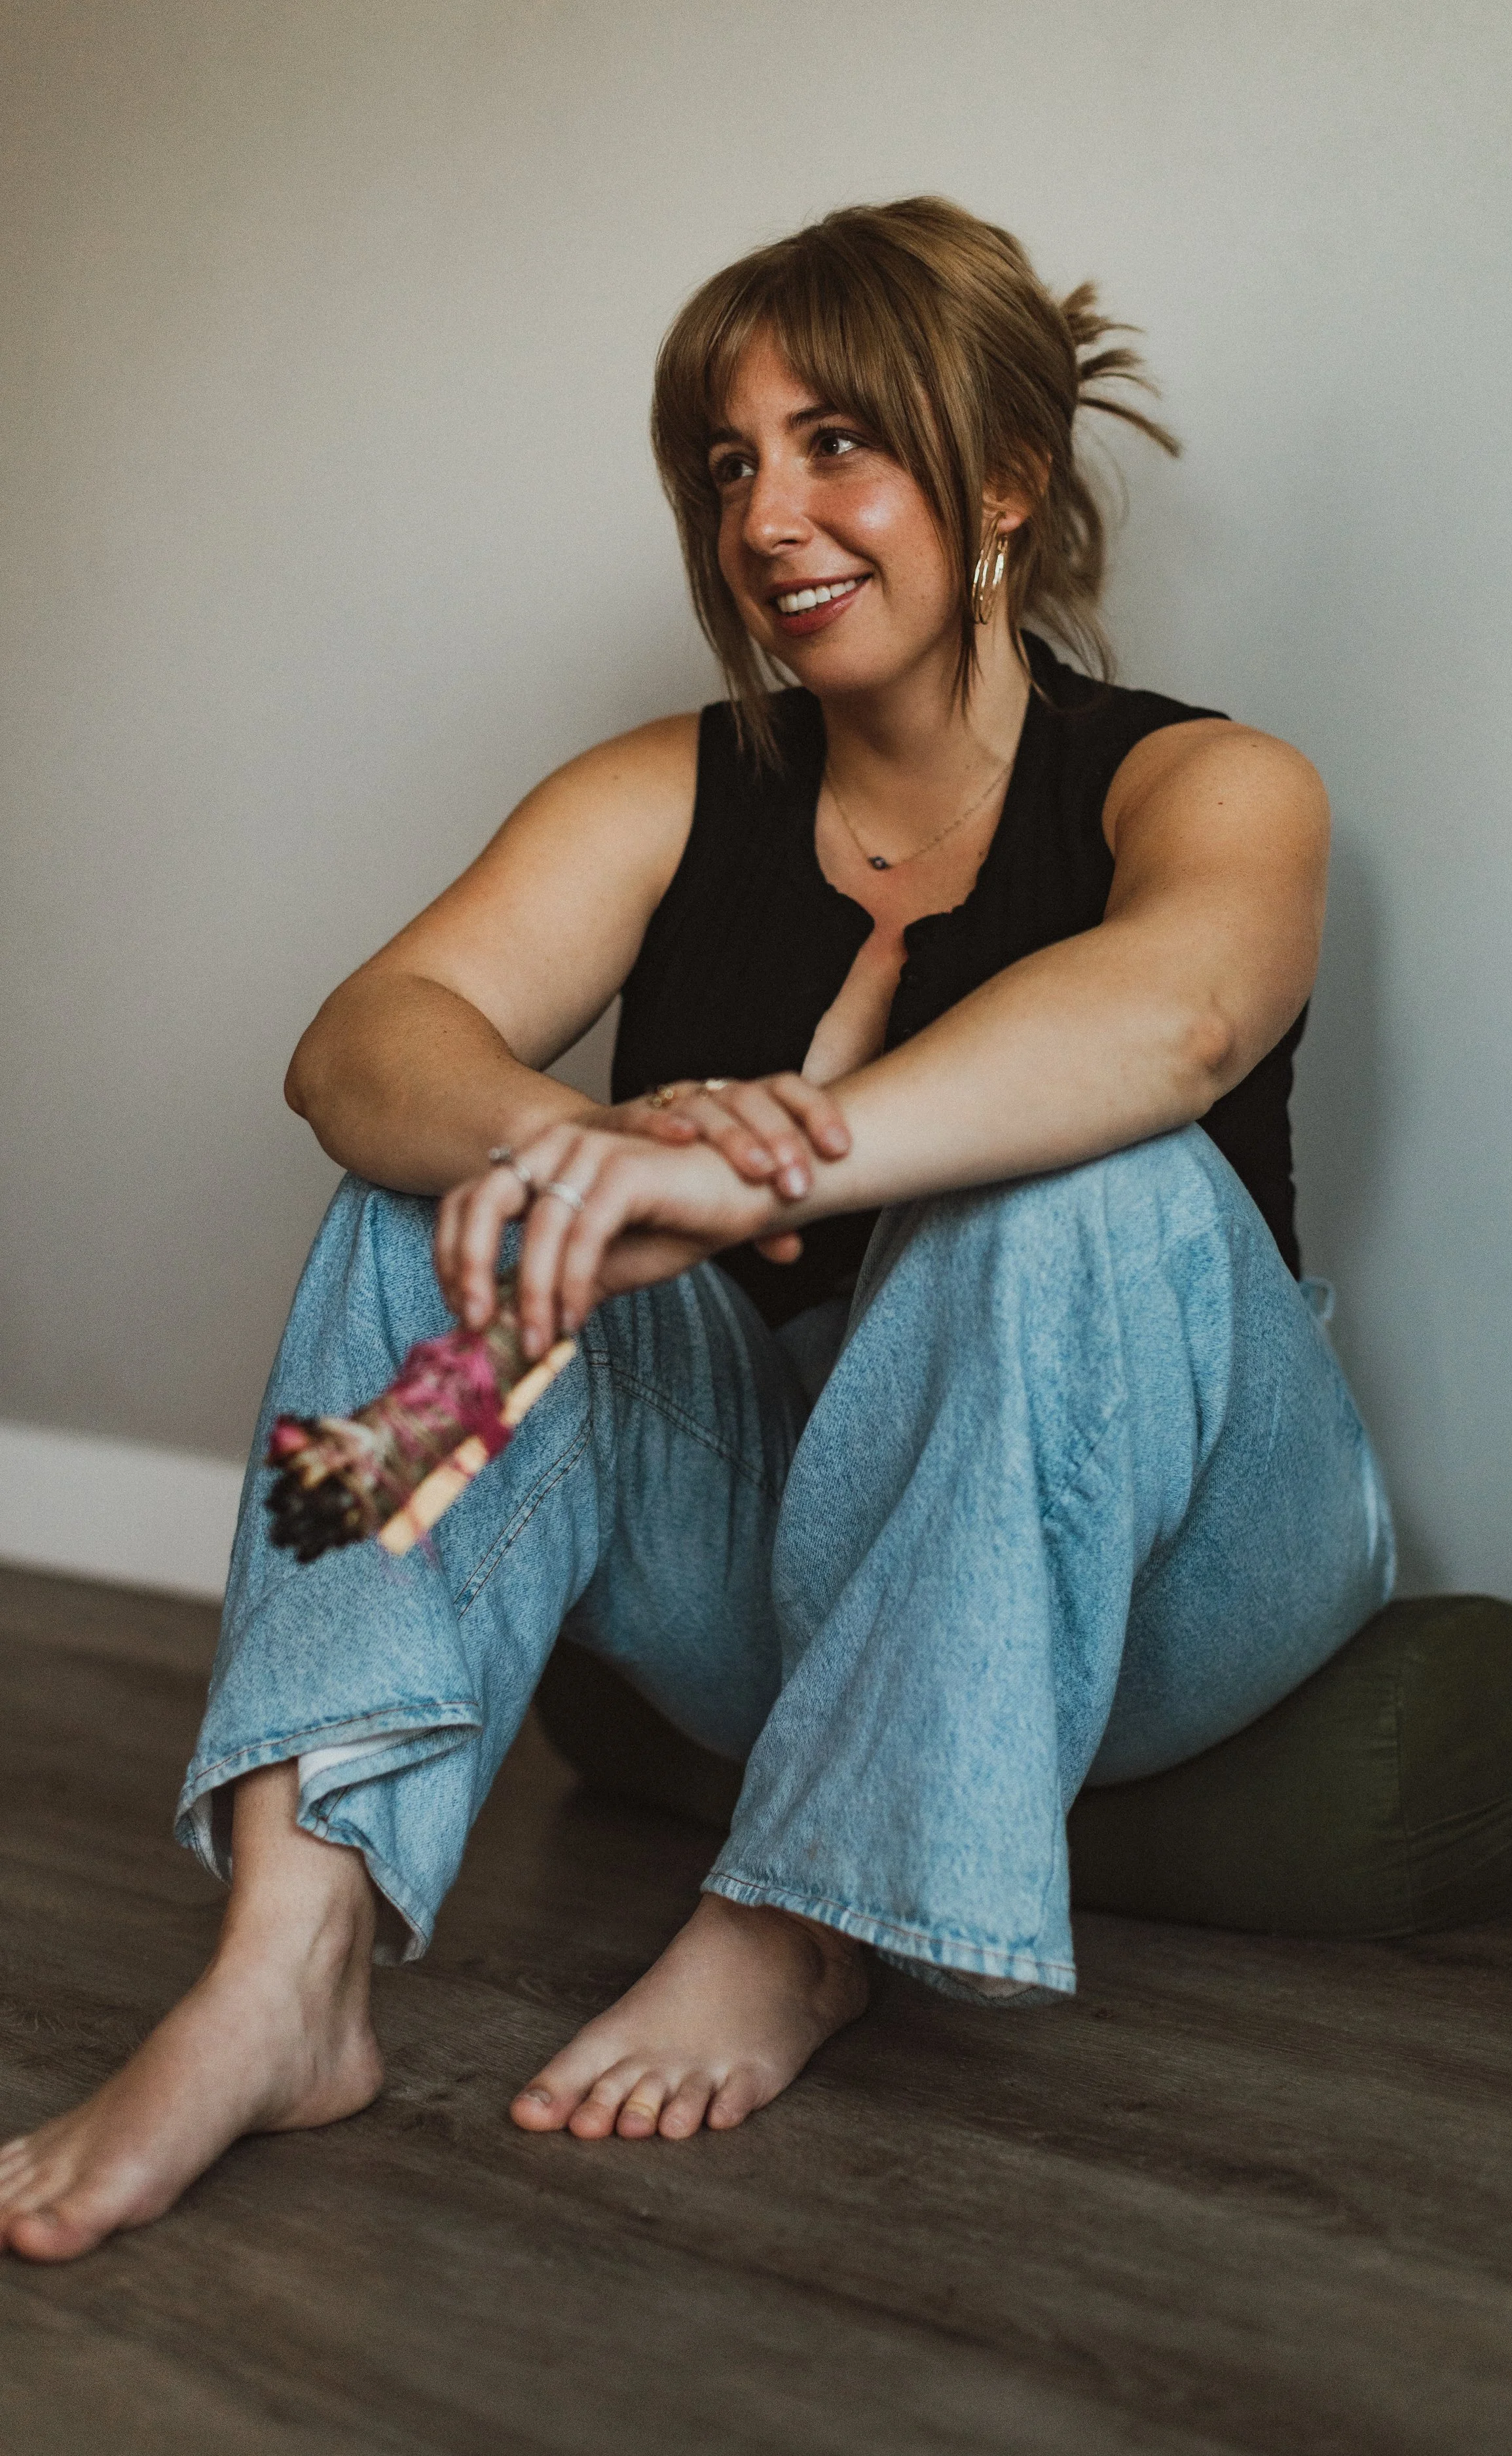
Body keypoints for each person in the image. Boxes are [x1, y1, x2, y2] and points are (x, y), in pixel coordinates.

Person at [1, 196, 1392, 2261]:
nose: (767, 516)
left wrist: (749, 1161)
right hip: (790, 1559)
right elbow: (360, 1044)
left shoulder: (1200, 780)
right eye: (727, 462)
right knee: (427, 1208)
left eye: (838, 443)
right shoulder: (668, 790)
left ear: (1002, 477)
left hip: (1181, 1556)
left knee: (1083, 1183)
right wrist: (580, 1151)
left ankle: (801, 1918)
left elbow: (1179, 1014)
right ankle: (285, 1967)